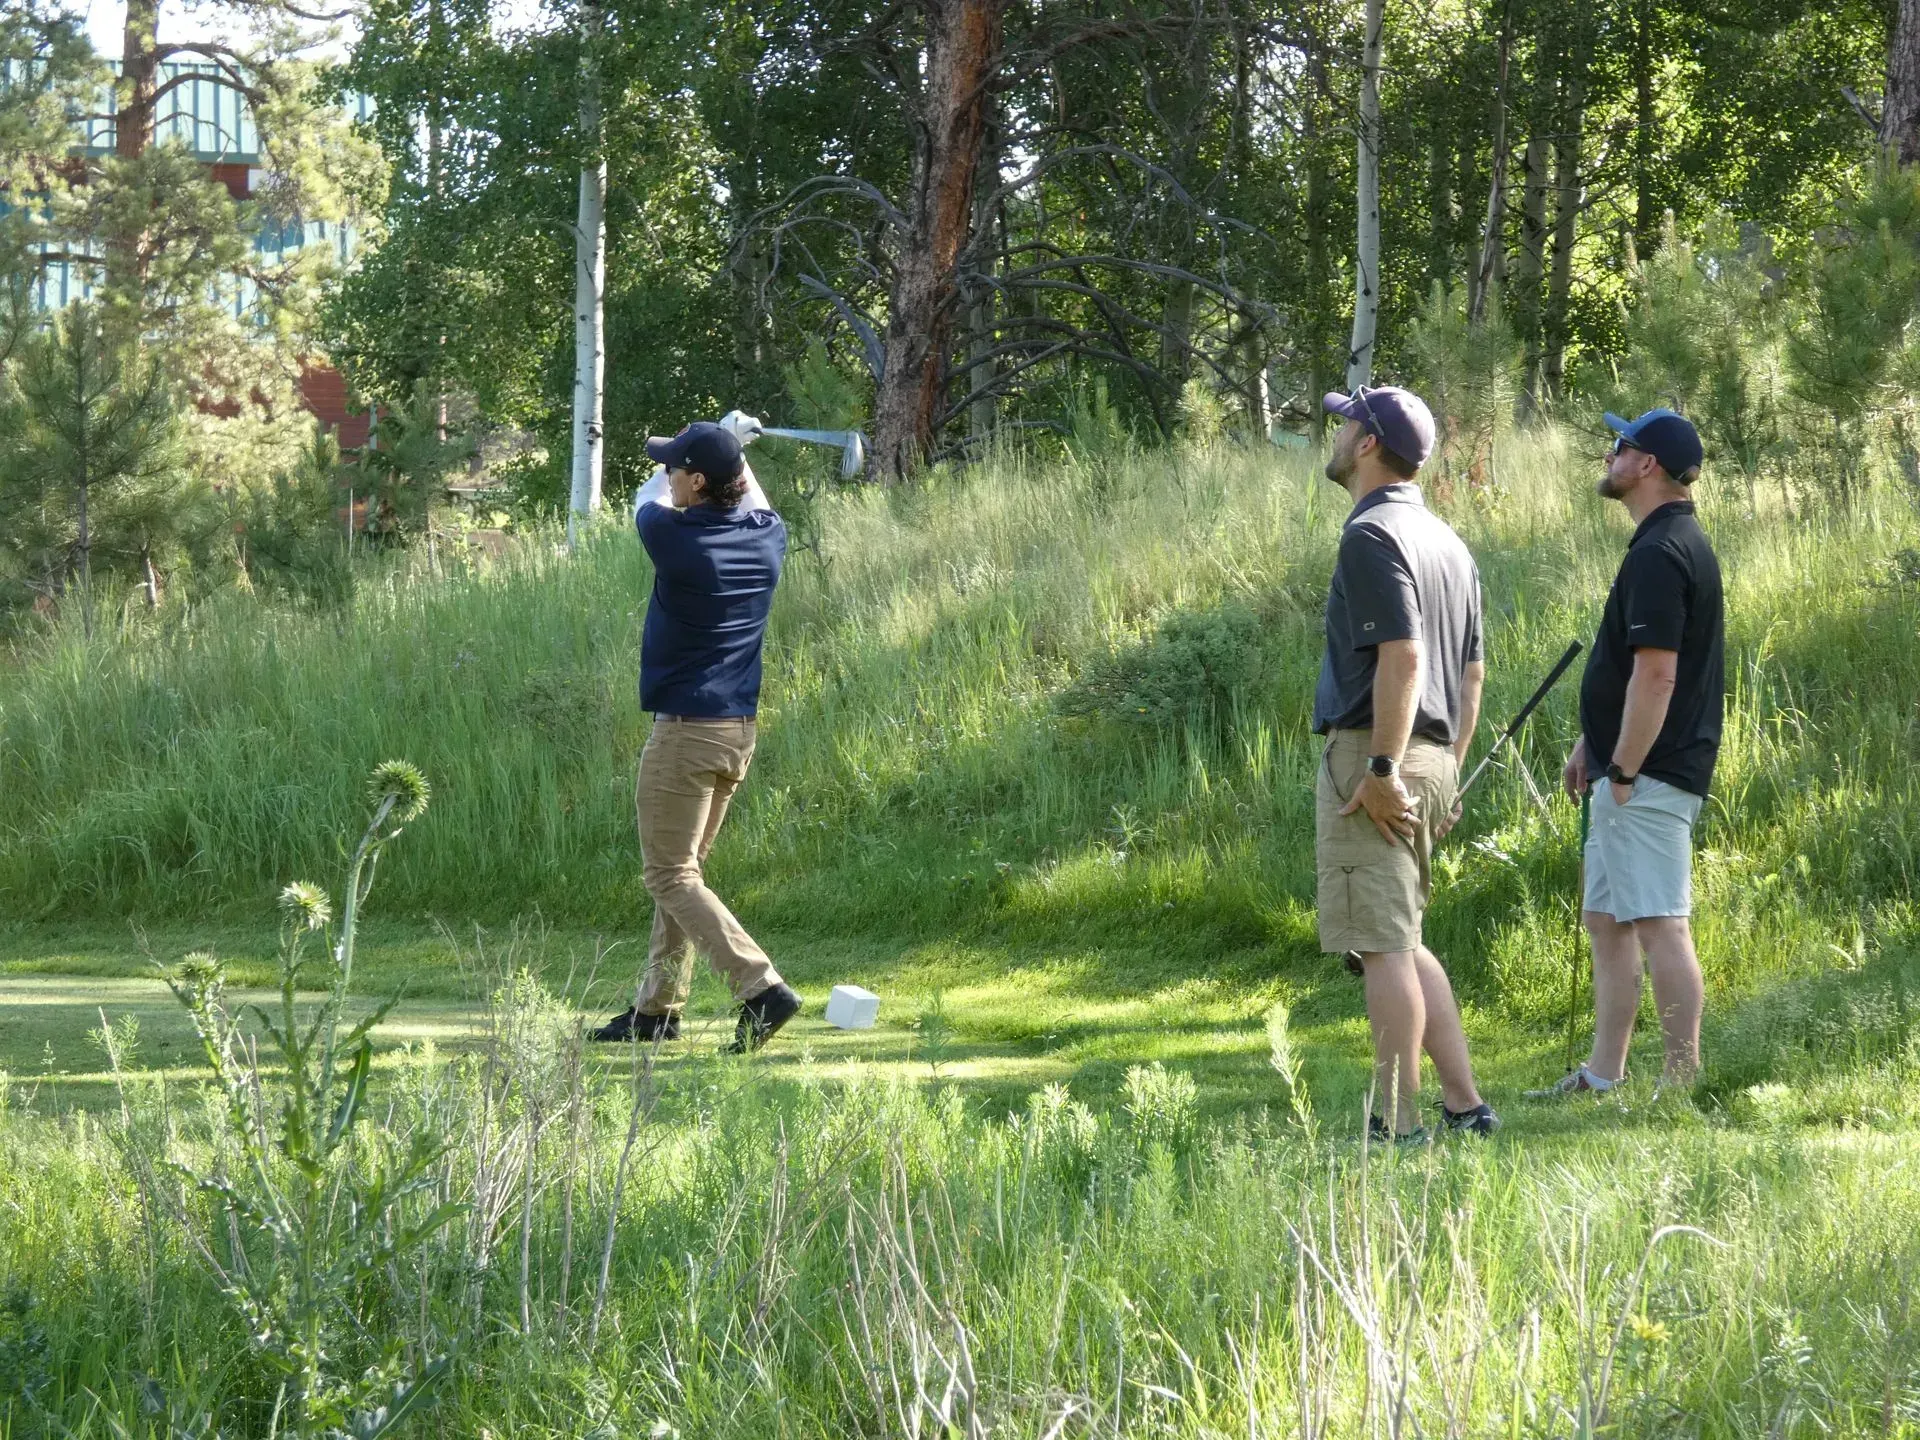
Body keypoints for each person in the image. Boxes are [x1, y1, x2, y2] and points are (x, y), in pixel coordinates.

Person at [1313, 385, 1499, 1142]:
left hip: (1377, 757)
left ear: (1366, 445)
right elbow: (1473, 672)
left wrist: (1383, 770)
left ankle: (1398, 1125)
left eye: (1346, 422)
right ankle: (1464, 1104)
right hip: (1432, 755)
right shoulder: (1450, 542)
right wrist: (1446, 772)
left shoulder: (1370, 536)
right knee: (1405, 936)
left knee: (1381, 946)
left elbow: (1406, 655)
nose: (1338, 431)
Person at [591, 421, 803, 1053]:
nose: (666, 476)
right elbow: (752, 499)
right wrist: (738, 447)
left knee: (668, 875)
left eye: (674, 468)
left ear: (697, 481)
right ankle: (656, 1012)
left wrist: (728, 444)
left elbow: (642, 501)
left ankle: (761, 987)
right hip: (737, 733)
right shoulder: (769, 537)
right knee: (686, 874)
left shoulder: (675, 538)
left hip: (685, 734)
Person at [1537, 408, 1721, 1097]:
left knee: (1659, 923)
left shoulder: (1660, 551)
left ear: (1646, 465)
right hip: (1627, 766)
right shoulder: (1664, 542)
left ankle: (1680, 1081)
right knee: (1608, 919)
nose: (1610, 454)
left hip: (1650, 772)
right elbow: (1630, 668)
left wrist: (1626, 769)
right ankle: (1603, 1075)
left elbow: (1658, 674)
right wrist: (1595, 742)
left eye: (1621, 445)